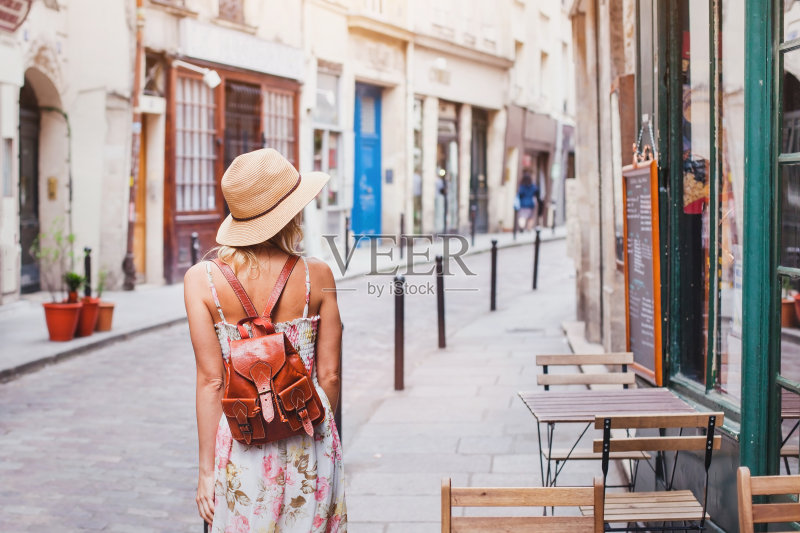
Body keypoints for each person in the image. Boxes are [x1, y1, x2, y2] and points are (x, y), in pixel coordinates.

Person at [184, 148, 347, 532]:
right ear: (290, 212)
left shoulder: (201, 280)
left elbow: (210, 381)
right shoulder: (317, 274)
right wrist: (313, 427)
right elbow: (331, 374)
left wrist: (206, 472)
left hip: (243, 439)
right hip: (309, 433)